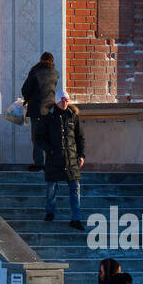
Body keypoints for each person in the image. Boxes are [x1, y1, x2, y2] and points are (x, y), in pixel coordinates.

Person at [36, 86, 85, 229]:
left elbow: (79, 137)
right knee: (52, 188)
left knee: (75, 189)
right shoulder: (48, 117)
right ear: (57, 102)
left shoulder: (73, 116)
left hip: (71, 159)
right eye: (62, 101)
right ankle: (50, 213)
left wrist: (81, 155)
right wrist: (49, 149)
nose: (64, 104)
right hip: (54, 159)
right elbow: (39, 138)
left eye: (66, 101)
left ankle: (76, 219)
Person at [21, 51, 59, 171]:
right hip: (50, 109)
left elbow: (25, 89)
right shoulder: (56, 74)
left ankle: (39, 163)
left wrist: (29, 98)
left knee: (37, 137)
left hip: (37, 109)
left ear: (41, 60)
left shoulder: (35, 72)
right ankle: (50, 162)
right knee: (48, 136)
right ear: (52, 61)